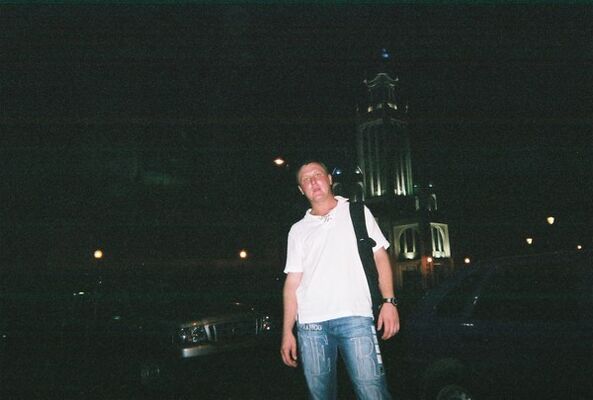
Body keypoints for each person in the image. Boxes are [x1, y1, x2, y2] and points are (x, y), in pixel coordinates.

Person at [280, 160, 400, 400]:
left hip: (355, 317)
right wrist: (287, 331)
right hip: (311, 325)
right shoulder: (298, 230)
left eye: (317, 175)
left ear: (329, 179)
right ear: (301, 190)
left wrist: (389, 302)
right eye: (306, 179)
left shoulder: (357, 212)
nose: (313, 181)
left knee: (372, 392)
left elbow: (380, 257)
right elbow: (292, 282)